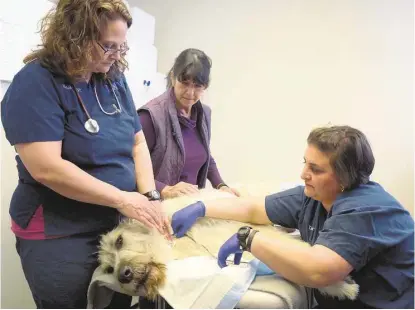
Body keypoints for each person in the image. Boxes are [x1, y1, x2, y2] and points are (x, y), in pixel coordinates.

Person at [1, 0, 171, 308]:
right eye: (108, 46)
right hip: (60, 232)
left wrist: (150, 198)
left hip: (114, 226)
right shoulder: (35, 82)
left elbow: (137, 143)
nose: (117, 56)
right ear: (75, 36)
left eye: (122, 47)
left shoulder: (112, 78)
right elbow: (47, 169)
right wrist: (122, 198)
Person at [170, 125, 414, 308]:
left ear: (345, 178)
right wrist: (202, 207)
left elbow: (319, 270)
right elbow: (254, 209)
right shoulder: (315, 197)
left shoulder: (366, 209)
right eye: (305, 163)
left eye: (315, 169)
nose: (303, 174)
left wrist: (249, 240)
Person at [137, 48, 239, 199]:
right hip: (156, 206)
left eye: (197, 86)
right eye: (185, 83)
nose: (190, 93)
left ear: (205, 86)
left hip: (189, 205)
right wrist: (165, 189)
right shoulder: (150, 116)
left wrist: (221, 185)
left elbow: (205, 156)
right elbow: (130, 168)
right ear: (173, 78)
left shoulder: (204, 114)